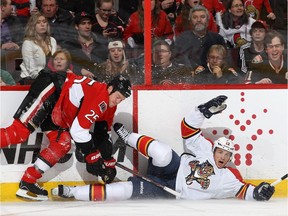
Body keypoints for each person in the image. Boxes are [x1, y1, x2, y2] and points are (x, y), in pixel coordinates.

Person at [51, 95, 275, 202]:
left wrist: (261, 192)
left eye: (227, 155)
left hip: (167, 192)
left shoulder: (231, 177)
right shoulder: (204, 149)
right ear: (215, 149)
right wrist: (202, 111)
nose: (223, 157)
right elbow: (187, 128)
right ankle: (128, 139)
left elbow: (246, 191)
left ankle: (72, 192)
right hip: (172, 170)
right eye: (221, 152)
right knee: (163, 152)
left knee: (123, 192)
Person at [0, 64, 131, 201]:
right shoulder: (100, 96)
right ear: (110, 88)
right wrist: (92, 156)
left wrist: (108, 163)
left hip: (60, 108)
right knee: (19, 133)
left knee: (62, 143)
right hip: (52, 88)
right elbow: (78, 131)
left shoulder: (109, 106)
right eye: (118, 96)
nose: (118, 101)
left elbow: (102, 135)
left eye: (121, 99)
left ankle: (28, 181)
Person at [173, 5, 226, 73]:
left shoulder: (218, 39)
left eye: (202, 17)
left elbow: (225, 61)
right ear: (190, 21)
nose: (199, 20)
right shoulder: (181, 40)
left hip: (214, 77)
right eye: (195, 17)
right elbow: (178, 62)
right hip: (190, 78)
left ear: (207, 20)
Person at [61, 11, 108, 78]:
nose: (87, 26)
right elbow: (64, 65)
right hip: (78, 82)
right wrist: (80, 70)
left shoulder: (101, 44)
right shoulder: (70, 46)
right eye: (83, 23)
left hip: (99, 82)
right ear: (76, 27)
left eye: (89, 23)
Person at [19, 12, 57, 85]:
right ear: (33, 26)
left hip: (49, 79)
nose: (42, 24)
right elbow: (32, 70)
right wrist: (47, 80)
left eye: (44, 22)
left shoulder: (52, 40)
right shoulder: (28, 43)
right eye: (38, 22)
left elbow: (55, 64)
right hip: (30, 80)